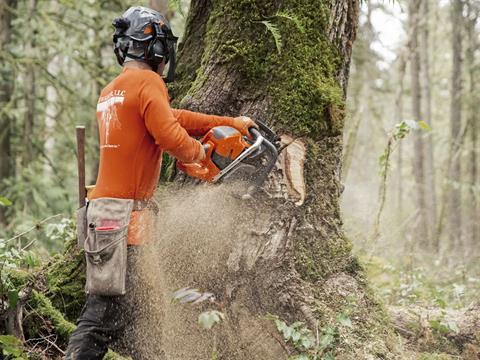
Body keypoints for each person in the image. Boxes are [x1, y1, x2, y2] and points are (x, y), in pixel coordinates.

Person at [65, 6, 256, 359]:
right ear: (153, 48)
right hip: (122, 219)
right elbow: (169, 134)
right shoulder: (148, 82)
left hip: (109, 215)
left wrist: (230, 121)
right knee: (102, 314)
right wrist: (200, 154)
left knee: (137, 310)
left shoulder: (113, 90)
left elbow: (171, 117)